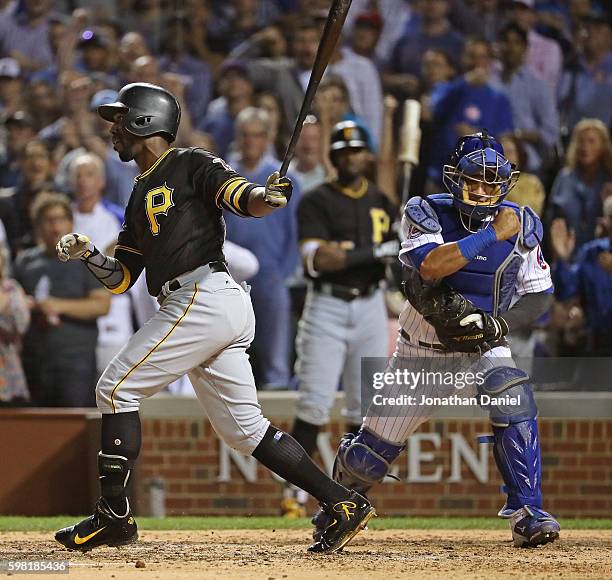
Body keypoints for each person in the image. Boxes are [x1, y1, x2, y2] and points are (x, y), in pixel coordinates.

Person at [53, 82, 374, 554]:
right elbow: (122, 278)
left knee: (116, 387)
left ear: (145, 121)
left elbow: (244, 199)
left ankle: (114, 516)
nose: (113, 128)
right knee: (245, 430)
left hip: (203, 294)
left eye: (120, 118)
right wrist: (87, 255)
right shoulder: (138, 193)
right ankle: (343, 502)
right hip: (201, 303)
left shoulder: (191, 161)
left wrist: (270, 196)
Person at [313, 132, 561, 548]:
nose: (481, 192)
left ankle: (527, 512)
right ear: (455, 179)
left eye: (490, 183)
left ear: (504, 183)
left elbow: (539, 294)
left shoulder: (522, 222)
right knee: (367, 460)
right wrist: (493, 234)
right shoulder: (423, 210)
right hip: (420, 352)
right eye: (473, 181)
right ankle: (336, 505)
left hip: (484, 344)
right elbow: (431, 266)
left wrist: (500, 324)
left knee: (512, 393)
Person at [283, 120, 397, 517]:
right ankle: (293, 495)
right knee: (313, 404)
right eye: (343, 151)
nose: (351, 158)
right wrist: (375, 252)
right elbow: (320, 259)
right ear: (333, 157)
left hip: (370, 305)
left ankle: (351, 493)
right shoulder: (317, 200)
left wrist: (385, 253)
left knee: (362, 409)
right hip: (326, 306)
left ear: (367, 155)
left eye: (357, 151)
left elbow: (388, 258)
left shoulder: (381, 201)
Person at [14, 192, 110, 407]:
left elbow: (102, 304)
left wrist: (57, 305)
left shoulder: (86, 258)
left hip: (74, 361)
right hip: (34, 361)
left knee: (75, 425)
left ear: (71, 223)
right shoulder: (25, 261)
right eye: (48, 220)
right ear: (37, 225)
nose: (55, 227)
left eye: (60, 219)